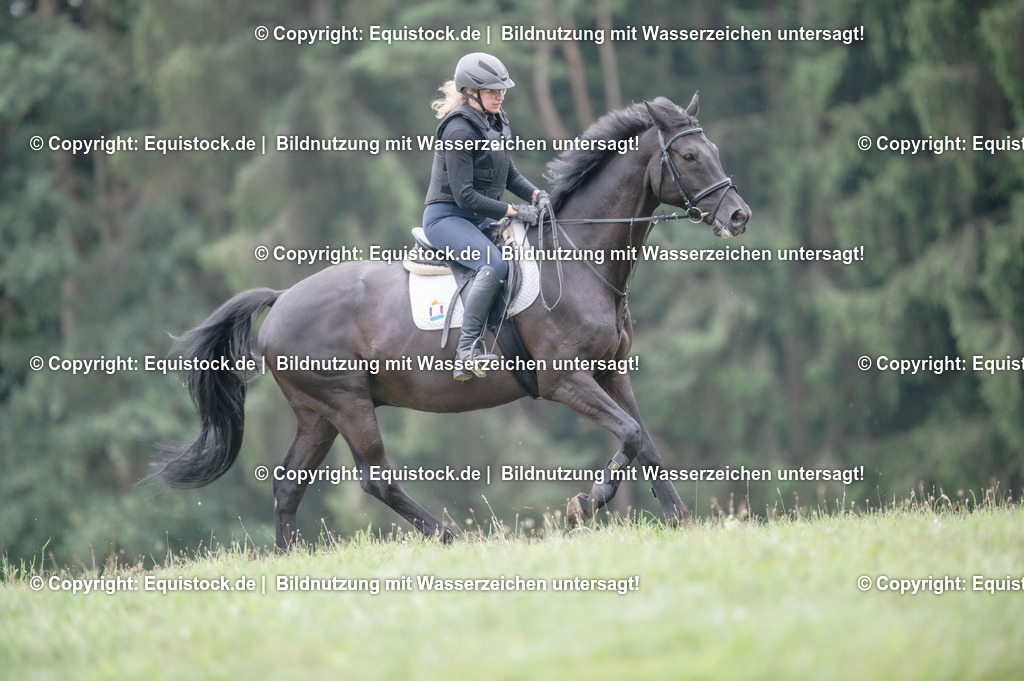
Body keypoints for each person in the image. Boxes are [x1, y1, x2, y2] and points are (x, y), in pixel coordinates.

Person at [423, 52, 550, 381]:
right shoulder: (458, 130)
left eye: (502, 89)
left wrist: (537, 195)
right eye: (493, 90)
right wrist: (513, 210)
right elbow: (464, 195)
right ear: (470, 92)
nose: (500, 95)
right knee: (494, 265)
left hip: (478, 218)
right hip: (447, 219)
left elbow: (509, 176)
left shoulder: (497, 120)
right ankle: (466, 352)